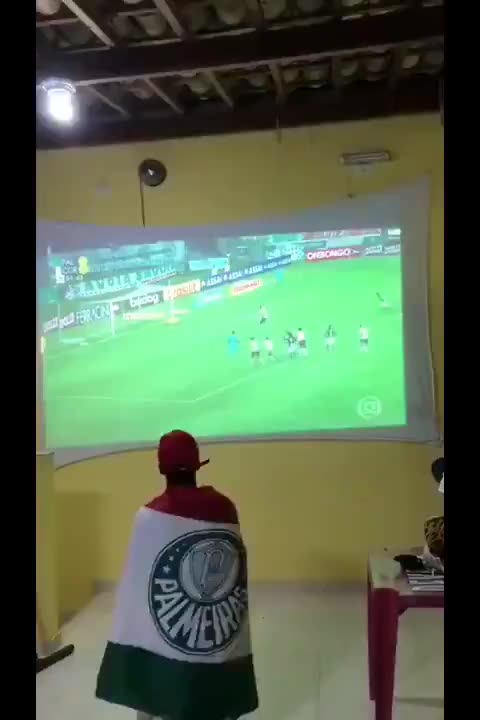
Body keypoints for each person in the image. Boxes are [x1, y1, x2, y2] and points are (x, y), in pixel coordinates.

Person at [96, 430, 259, 720]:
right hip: (214, 636)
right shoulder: (226, 507)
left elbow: (138, 587)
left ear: (161, 468)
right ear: (197, 464)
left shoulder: (150, 516)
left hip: (173, 639)